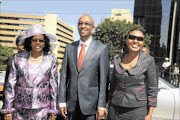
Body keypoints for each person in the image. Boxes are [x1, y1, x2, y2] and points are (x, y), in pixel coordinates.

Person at [1, 24, 59, 120]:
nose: (37, 43)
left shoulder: (51, 61)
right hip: (19, 110)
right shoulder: (17, 59)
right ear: (29, 42)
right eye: (34, 40)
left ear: (45, 43)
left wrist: (53, 109)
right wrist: (8, 108)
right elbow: (10, 86)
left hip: (42, 110)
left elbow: (53, 87)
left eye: (41, 40)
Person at [58, 14, 109, 120]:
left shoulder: (101, 49)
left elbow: (103, 81)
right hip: (71, 104)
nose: (83, 26)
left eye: (87, 24)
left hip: (91, 105)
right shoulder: (69, 48)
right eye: (80, 23)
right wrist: (62, 101)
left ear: (93, 28)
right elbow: (63, 77)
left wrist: (101, 105)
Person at [108, 29, 158, 120]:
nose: (135, 41)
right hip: (115, 108)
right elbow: (113, 84)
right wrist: (108, 104)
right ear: (126, 40)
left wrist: (150, 114)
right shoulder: (117, 58)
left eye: (139, 39)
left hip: (137, 109)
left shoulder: (148, 60)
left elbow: (153, 88)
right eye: (132, 37)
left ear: (143, 42)